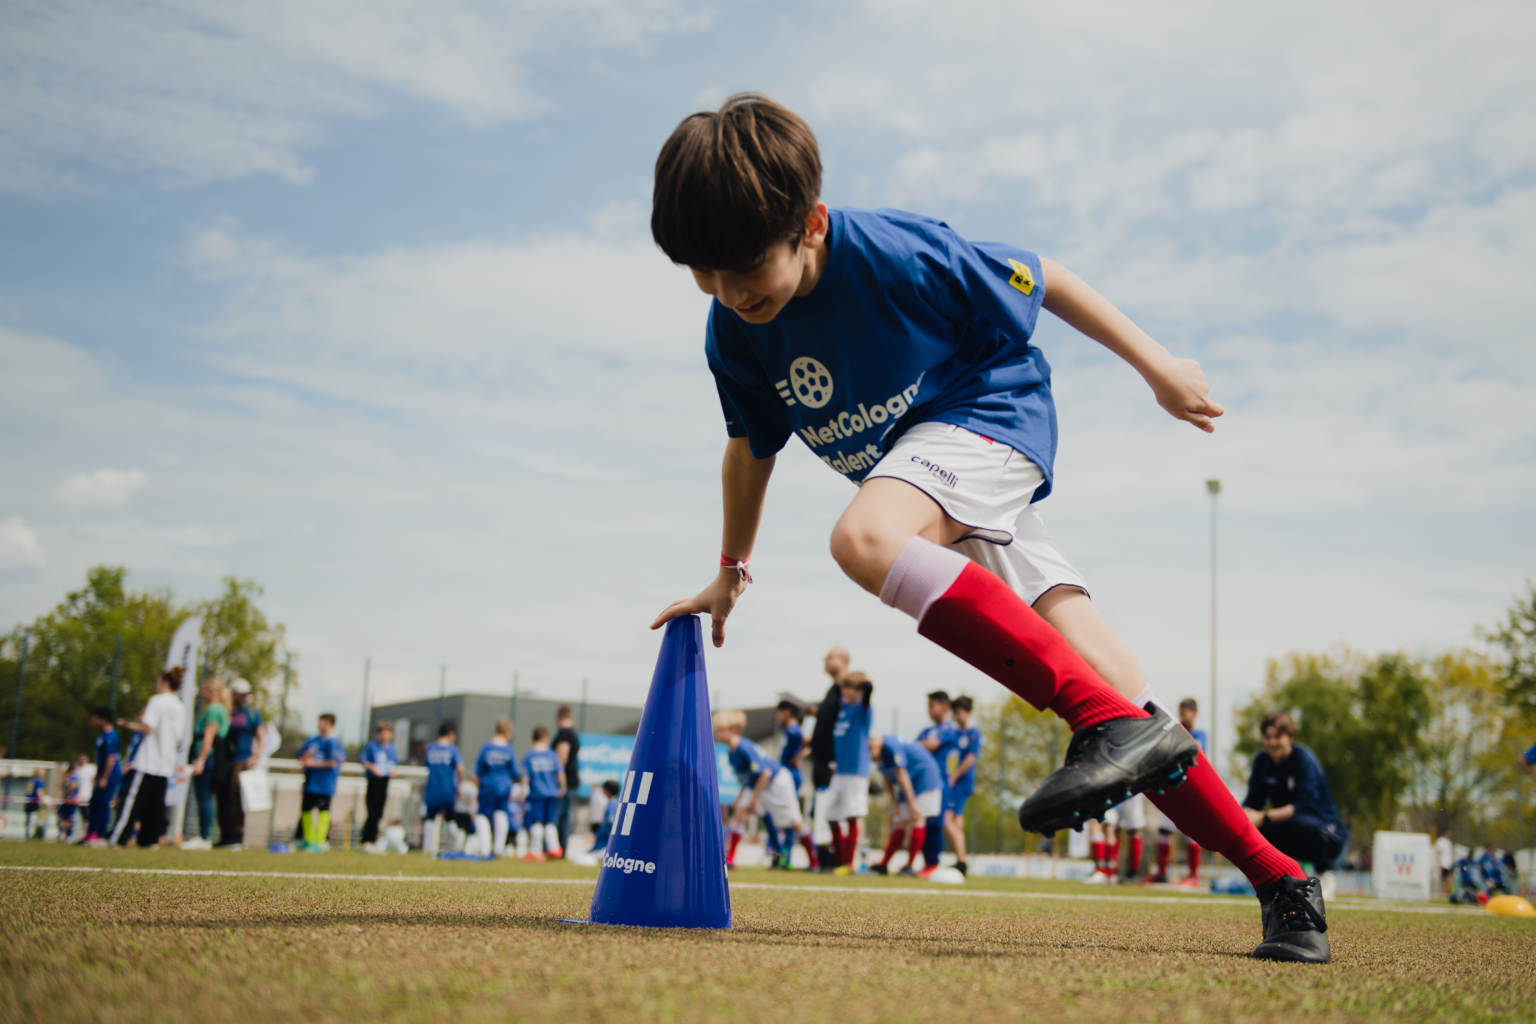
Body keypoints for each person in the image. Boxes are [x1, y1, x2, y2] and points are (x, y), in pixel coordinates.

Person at [646, 94, 1326, 961]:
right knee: (1119, 686)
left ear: (809, 224)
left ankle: (1098, 721)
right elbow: (750, 449)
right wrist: (731, 568)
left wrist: (1157, 367)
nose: (726, 291)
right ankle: (1282, 881)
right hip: (930, 483)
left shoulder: (897, 254)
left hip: (990, 416)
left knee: (863, 539)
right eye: (701, 272)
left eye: (744, 266)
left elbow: (1047, 277)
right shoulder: (736, 331)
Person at [1242, 712, 1347, 874]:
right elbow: (1252, 802)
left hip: (1327, 831)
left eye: (1278, 737)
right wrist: (1240, 819)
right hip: (1292, 828)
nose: (1272, 742)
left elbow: (1305, 806)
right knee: (1253, 831)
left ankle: (1325, 874)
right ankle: (1275, 878)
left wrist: (1263, 817)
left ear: (1290, 738)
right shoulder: (1262, 762)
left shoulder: (1303, 758)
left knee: (1303, 825)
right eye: (1268, 737)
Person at [716, 709, 819, 871]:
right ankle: (730, 859)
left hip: (776, 782)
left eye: (720, 730)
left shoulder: (744, 747)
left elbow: (765, 772)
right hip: (758, 785)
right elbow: (747, 778)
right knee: (740, 813)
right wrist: (740, 798)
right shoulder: (732, 752)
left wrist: (754, 799)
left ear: (733, 730)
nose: (716, 734)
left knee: (793, 821)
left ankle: (814, 861)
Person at [115, 667, 188, 848]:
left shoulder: (157, 701)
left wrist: (128, 724)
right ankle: (149, 840)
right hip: (166, 763)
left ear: (164, 682)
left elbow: (148, 727)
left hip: (148, 761)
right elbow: (178, 737)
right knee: (155, 805)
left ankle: (118, 838)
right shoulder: (180, 707)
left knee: (133, 802)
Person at [870, 734, 943, 877]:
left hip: (924, 780)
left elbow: (901, 774)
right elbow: (886, 780)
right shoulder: (881, 756)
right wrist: (895, 805)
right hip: (908, 785)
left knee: (917, 818)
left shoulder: (890, 745)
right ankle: (883, 864)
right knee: (899, 822)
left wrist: (912, 803)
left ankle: (909, 866)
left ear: (876, 746)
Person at [823, 672, 873, 873]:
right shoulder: (844, 708)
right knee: (831, 814)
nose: (843, 691)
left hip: (855, 772)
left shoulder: (863, 709)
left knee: (852, 814)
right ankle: (839, 859)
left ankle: (849, 863)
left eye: (847, 688)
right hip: (840, 771)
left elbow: (868, 693)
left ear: (859, 691)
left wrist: (865, 684)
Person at [1155, 698, 1208, 885]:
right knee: (1164, 829)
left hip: (1191, 788)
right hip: (1172, 785)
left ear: (1194, 713)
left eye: (1185, 713)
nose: (1182, 716)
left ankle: (1193, 875)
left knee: (1191, 830)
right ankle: (1162, 873)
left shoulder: (1199, 735)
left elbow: (1194, 755)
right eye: (1180, 712)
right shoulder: (1175, 731)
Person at [808, 646, 849, 869]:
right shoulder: (832, 690)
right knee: (822, 808)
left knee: (835, 809)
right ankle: (824, 857)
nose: (825, 660)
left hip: (834, 762)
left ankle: (838, 857)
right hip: (821, 760)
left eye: (830, 657)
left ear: (843, 661)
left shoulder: (847, 689)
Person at [184, 675, 230, 850]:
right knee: (206, 797)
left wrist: (200, 760)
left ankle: (204, 836)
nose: (201, 694)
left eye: (203, 691)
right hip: (212, 758)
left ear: (211, 692)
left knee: (203, 796)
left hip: (208, 757)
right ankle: (204, 835)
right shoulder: (221, 709)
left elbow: (208, 737)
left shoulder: (213, 710)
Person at [914, 690, 957, 872]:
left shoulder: (949, 729)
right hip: (924, 782)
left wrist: (918, 745)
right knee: (923, 821)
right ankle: (925, 864)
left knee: (935, 823)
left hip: (940, 782)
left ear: (945, 707)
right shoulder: (926, 731)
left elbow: (931, 744)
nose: (929, 710)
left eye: (932, 706)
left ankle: (933, 863)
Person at [219, 678, 264, 850]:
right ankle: (225, 835)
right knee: (222, 797)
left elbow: (261, 736)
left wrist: (256, 756)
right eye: (241, 694)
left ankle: (237, 836)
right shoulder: (226, 711)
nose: (245, 697)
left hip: (242, 760)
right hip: (224, 760)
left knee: (235, 798)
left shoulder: (251, 714)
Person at [942, 696, 981, 875]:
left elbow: (970, 759)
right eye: (954, 713)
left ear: (969, 712)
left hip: (961, 783)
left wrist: (954, 776)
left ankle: (962, 862)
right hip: (953, 783)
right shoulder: (954, 734)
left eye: (959, 713)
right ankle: (960, 860)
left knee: (946, 820)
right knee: (956, 822)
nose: (956, 717)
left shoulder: (974, 734)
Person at [295, 713, 346, 852]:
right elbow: (301, 755)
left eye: (321, 721)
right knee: (306, 810)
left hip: (325, 784)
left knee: (323, 812)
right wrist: (304, 758)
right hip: (311, 782)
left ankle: (319, 842)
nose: (318, 724)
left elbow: (333, 762)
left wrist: (312, 763)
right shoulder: (312, 739)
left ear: (328, 723)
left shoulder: (333, 741)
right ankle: (308, 840)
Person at [473, 717, 521, 858]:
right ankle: (499, 848)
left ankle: (484, 848)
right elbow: (515, 773)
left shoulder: (486, 748)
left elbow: (478, 771)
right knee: (501, 814)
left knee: (482, 815)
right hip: (504, 787)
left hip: (487, 785)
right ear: (507, 732)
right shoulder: (509, 750)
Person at [522, 726, 565, 861]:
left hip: (537, 794)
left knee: (536, 822)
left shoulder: (529, 756)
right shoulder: (552, 754)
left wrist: (522, 792)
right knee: (549, 822)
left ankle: (536, 851)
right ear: (545, 738)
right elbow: (560, 773)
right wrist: (562, 787)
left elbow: (525, 777)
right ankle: (554, 848)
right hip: (552, 793)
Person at [421, 723, 463, 858]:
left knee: (430, 817)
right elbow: (460, 768)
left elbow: (426, 766)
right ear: (451, 734)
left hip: (432, 788)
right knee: (450, 818)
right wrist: (459, 785)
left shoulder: (430, 748)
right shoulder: (453, 749)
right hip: (447, 789)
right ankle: (452, 847)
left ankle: (427, 847)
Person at [360, 721, 399, 851]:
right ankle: (366, 839)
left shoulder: (392, 748)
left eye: (388, 733)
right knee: (372, 811)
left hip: (385, 781)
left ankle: (373, 840)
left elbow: (394, 764)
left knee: (379, 813)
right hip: (374, 781)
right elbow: (363, 760)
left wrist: (394, 770)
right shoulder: (372, 746)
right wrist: (372, 767)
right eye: (383, 733)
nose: (385, 736)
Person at [552, 706, 581, 858]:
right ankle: (561, 850)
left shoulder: (564, 733)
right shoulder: (573, 733)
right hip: (572, 781)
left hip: (565, 782)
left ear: (559, 717)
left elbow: (561, 758)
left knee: (556, 816)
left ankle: (553, 848)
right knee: (565, 817)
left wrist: (559, 781)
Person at [589, 779, 621, 857]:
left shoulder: (612, 803)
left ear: (607, 791)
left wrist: (597, 834)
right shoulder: (615, 801)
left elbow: (609, 822)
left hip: (606, 841)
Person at [56, 757, 84, 842]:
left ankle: (66, 834)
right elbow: (78, 788)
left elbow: (72, 788)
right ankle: (66, 834)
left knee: (65, 817)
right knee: (67, 817)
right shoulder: (76, 777)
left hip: (69, 801)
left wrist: (65, 789)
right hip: (71, 800)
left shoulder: (71, 777)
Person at [24, 768, 45, 839]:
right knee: (42, 816)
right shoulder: (39, 781)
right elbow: (39, 792)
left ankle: (27, 834)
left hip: (28, 800)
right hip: (34, 801)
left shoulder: (31, 780)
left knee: (28, 818)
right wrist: (43, 800)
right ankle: (38, 833)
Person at [1435, 828, 1455, 895]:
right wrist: (1440, 863)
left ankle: (1444, 893)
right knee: (1446, 880)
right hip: (1444, 864)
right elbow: (1438, 853)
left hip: (1449, 864)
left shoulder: (1449, 843)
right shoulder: (1441, 841)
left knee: (1446, 880)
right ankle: (1442, 893)